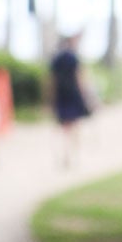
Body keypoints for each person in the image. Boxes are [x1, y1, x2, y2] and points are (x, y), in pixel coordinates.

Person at [49, 31, 93, 167]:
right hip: (73, 95)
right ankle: (74, 156)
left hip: (61, 96)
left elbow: (51, 81)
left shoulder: (56, 59)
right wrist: (86, 96)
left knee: (65, 128)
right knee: (75, 127)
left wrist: (49, 99)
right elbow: (79, 78)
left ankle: (66, 155)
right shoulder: (73, 58)